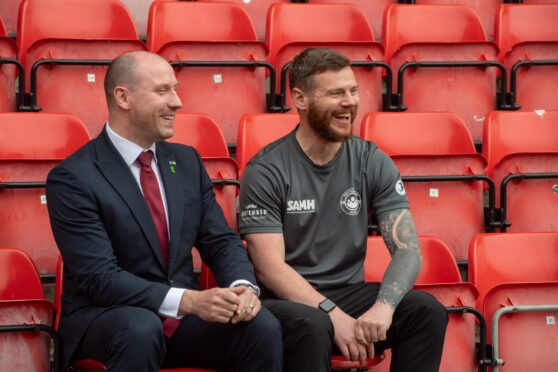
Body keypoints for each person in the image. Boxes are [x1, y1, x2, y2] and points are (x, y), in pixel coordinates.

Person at [46, 51, 282, 372]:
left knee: (260, 326)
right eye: (163, 91)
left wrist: (243, 287)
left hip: (179, 321)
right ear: (123, 97)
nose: (177, 102)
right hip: (107, 316)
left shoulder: (186, 161)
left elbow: (221, 241)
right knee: (142, 329)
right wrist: (188, 301)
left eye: (176, 89)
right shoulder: (74, 177)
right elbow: (98, 278)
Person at [238, 47, 448, 372]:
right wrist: (333, 315)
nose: (350, 101)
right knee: (313, 324)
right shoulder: (266, 170)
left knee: (426, 310)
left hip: (348, 293)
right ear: (300, 99)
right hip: (285, 301)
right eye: (336, 93)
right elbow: (269, 269)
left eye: (352, 90)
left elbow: (408, 252)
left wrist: (384, 307)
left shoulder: (370, 160)